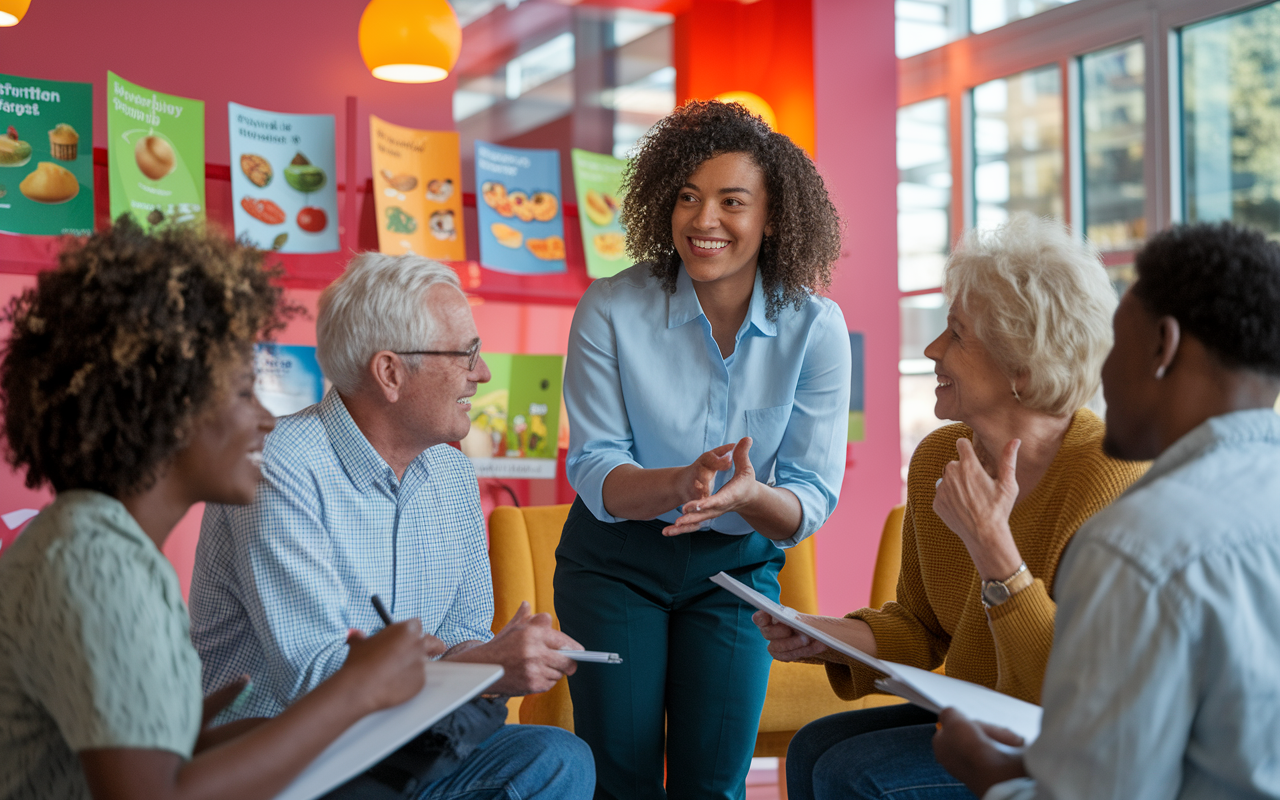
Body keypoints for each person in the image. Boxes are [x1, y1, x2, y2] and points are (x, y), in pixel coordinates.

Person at [0, 219, 437, 800]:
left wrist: (190, 736)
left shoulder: (104, 544)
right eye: (240, 392)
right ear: (169, 407)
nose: (264, 418)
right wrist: (354, 689)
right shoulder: (95, 561)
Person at [755, 214, 1148, 800]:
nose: (932, 348)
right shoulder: (942, 455)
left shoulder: (1110, 479)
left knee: (851, 771)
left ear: (1021, 365)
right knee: (815, 746)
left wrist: (995, 550)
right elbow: (923, 630)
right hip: (981, 714)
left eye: (956, 334)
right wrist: (828, 636)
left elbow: (1071, 689)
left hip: (1076, 744)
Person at [188, 252, 593, 799]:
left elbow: (460, 634)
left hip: (405, 745)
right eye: (466, 353)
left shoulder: (451, 472)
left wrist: (500, 654)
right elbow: (317, 678)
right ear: (390, 373)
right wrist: (485, 664)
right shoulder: (279, 466)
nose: (483, 372)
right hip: (286, 759)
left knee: (559, 760)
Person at [553, 100, 850, 799]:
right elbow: (594, 466)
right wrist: (680, 483)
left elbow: (808, 496)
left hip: (735, 572)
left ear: (773, 216)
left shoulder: (815, 329)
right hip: (616, 564)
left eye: (730, 201)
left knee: (713, 784)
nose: (702, 220)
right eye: (687, 196)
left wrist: (746, 497)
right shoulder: (611, 309)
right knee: (620, 781)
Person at [933, 222, 1280, 800]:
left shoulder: (1133, 545)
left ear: (1162, 347)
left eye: (1114, 342)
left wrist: (986, 771)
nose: (1091, 371)